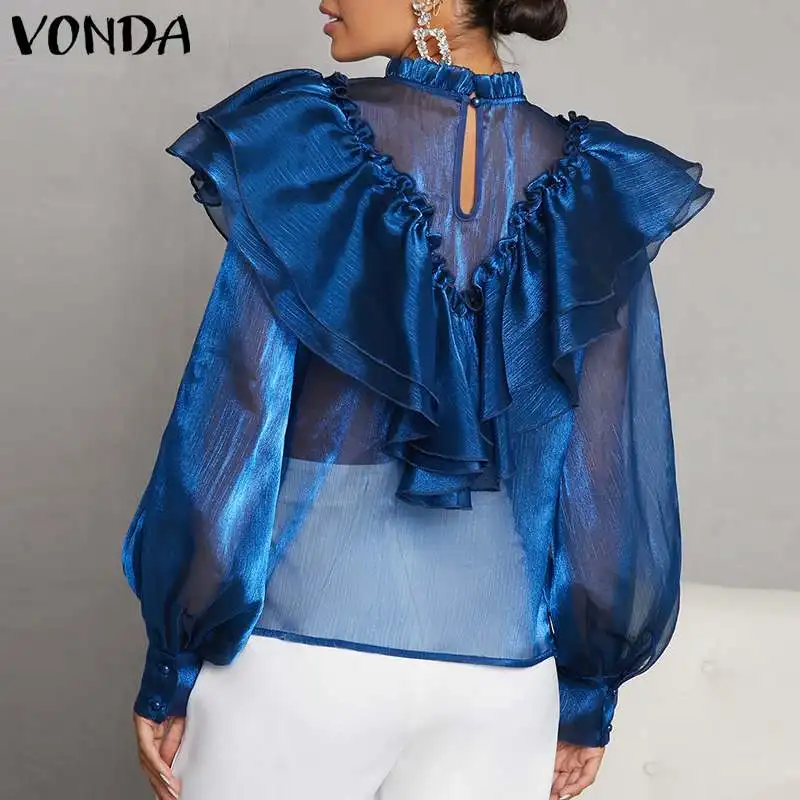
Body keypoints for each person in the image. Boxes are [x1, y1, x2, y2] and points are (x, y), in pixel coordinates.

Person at [120, 0, 715, 798]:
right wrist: (585, 696)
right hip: (504, 685)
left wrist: (173, 660)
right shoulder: (600, 189)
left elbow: (235, 414)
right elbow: (603, 469)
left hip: (298, 659)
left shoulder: (301, 147)